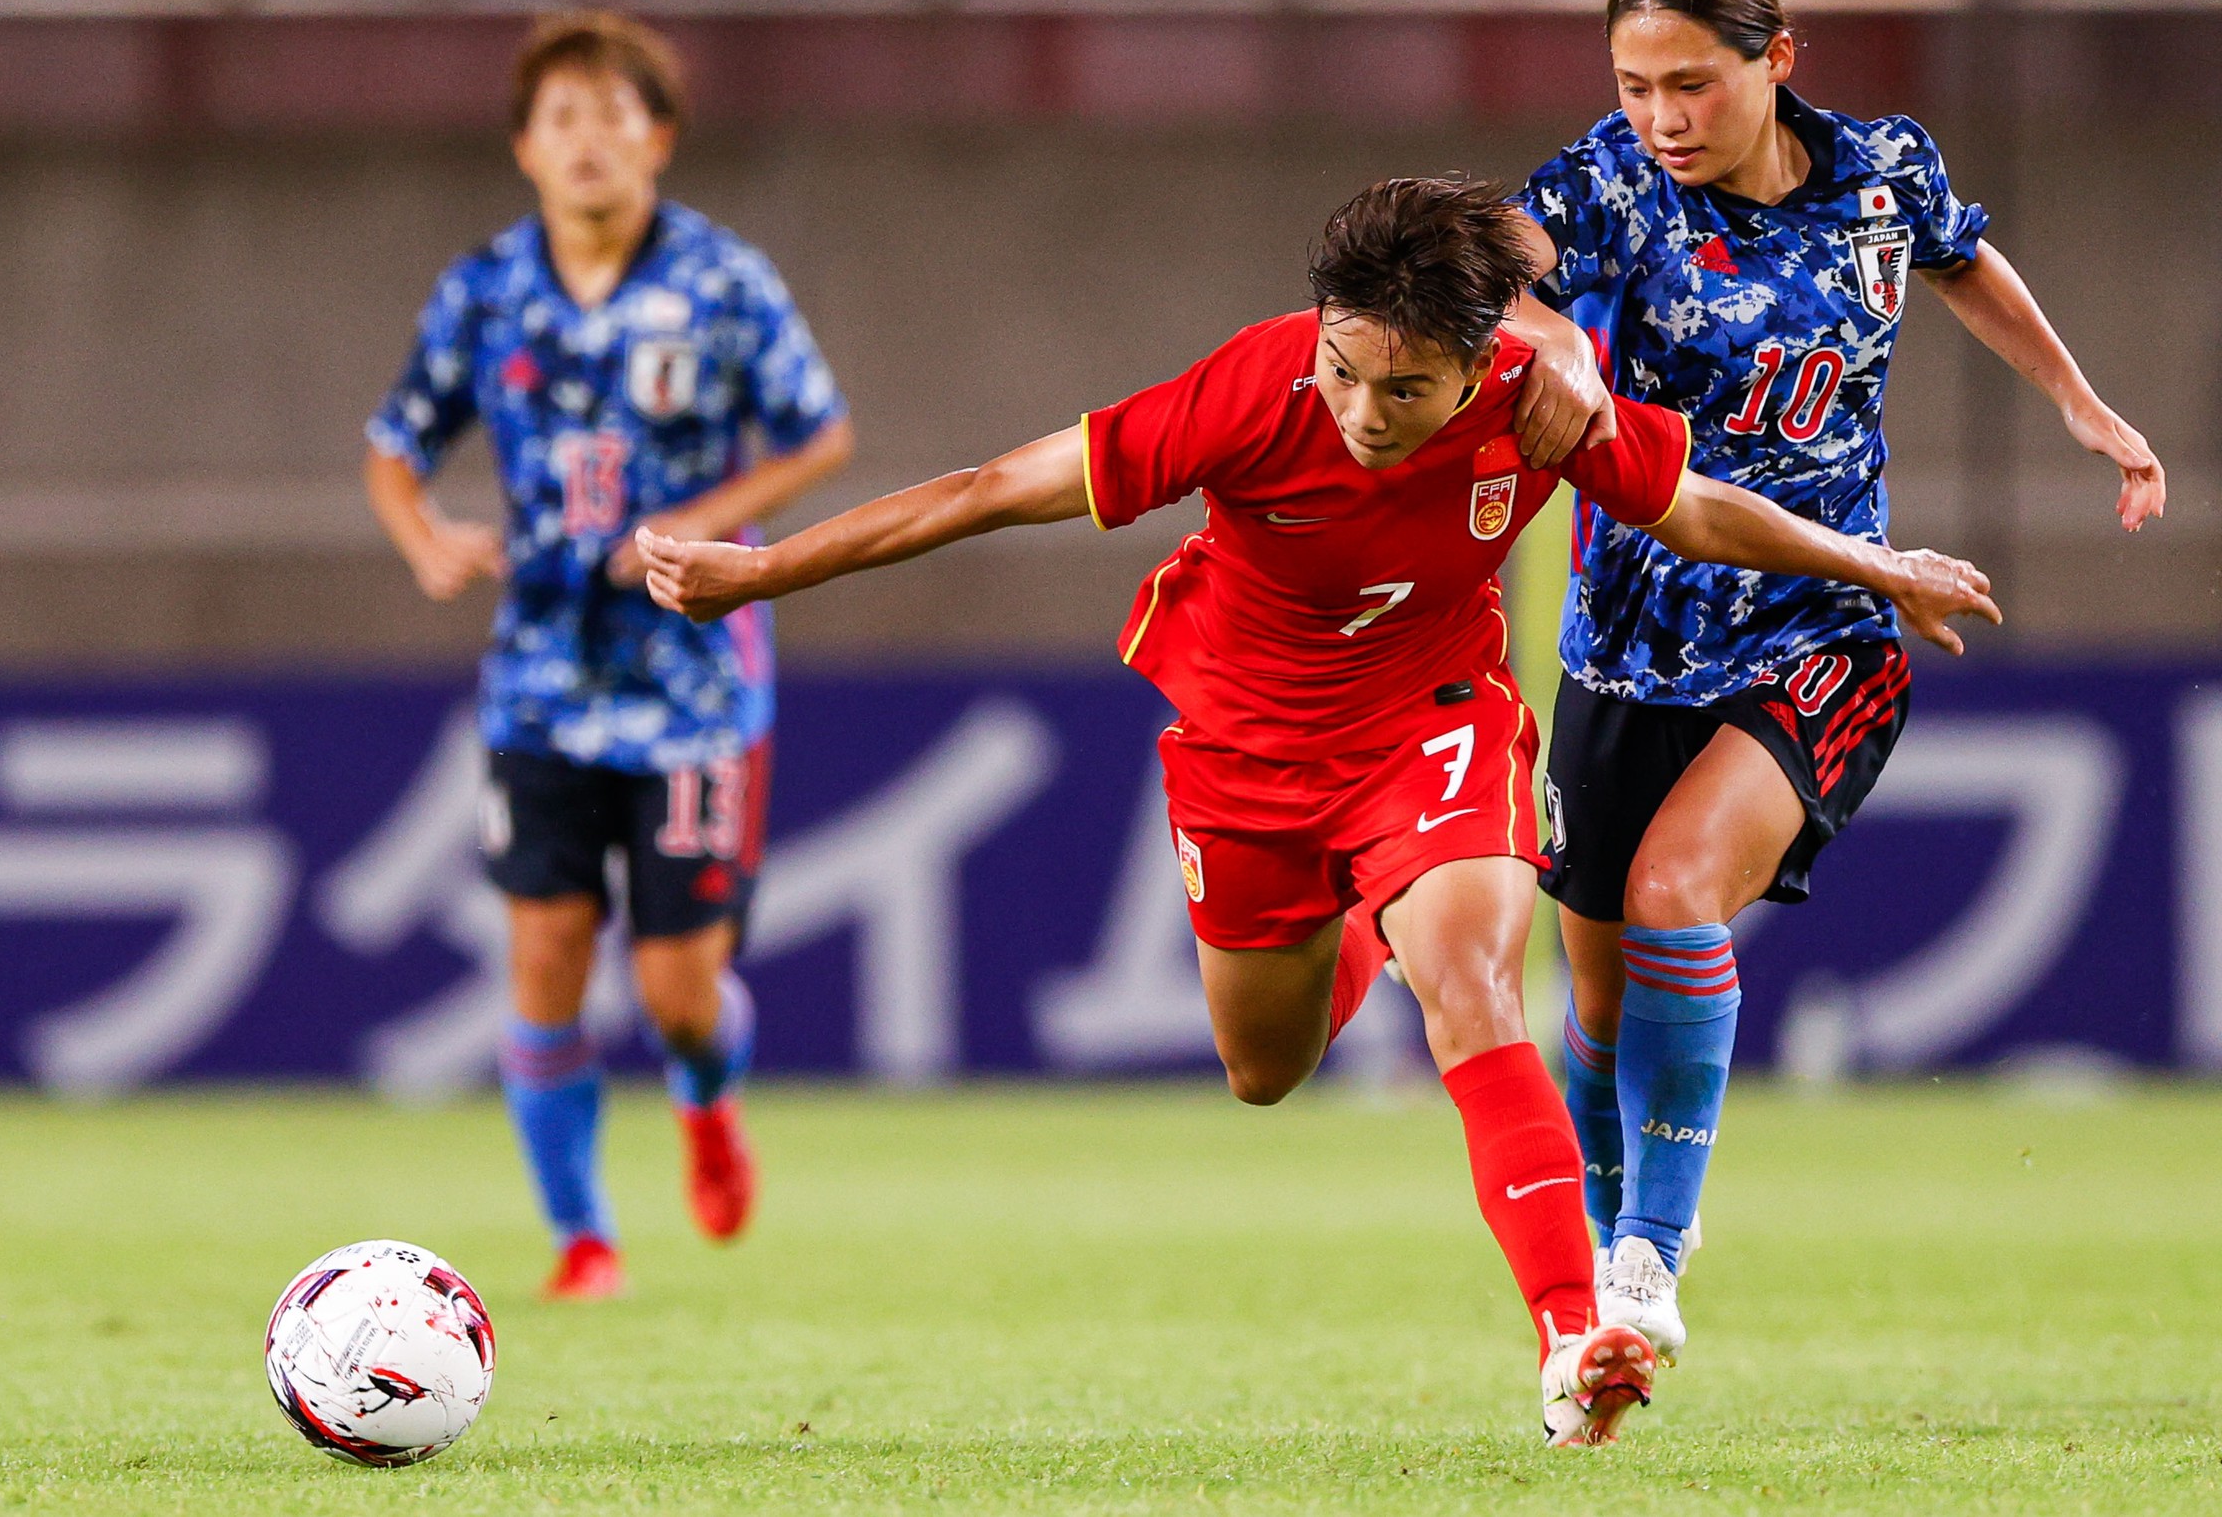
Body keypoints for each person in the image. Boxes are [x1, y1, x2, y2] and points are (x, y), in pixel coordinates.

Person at [637, 176, 1999, 1444]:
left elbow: (1694, 507)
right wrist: (761, 575)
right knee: (1263, 1065)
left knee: (1472, 979)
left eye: (1405, 388)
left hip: (1433, 722)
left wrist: (1875, 565)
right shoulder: (1250, 388)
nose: (1361, 409)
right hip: (1248, 751)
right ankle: (1369, 913)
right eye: (1345, 370)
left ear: (1478, 361)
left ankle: (1573, 1333)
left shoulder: (1538, 400)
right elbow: (995, 488)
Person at [1515, 0, 2167, 1362]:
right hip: (1628, 645)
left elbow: (1963, 257)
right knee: (1602, 1001)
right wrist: (1547, 337)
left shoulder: (1885, 173)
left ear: (1778, 61)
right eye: (1634, 84)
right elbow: (1509, 260)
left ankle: (1644, 1264)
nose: (1662, 117)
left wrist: (2074, 399)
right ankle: (1598, 1321)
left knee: (1681, 889)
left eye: (1693, 81)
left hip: (1829, 617)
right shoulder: (1614, 186)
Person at [363, 12, 856, 1299]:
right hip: (537, 676)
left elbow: (820, 430)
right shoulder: (484, 291)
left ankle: (706, 1097)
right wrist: (421, 537)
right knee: (543, 959)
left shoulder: (725, 282)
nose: (588, 141)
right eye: (562, 118)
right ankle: (583, 1237)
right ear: (525, 147)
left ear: (660, 137)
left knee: (678, 990)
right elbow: (394, 441)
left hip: (693, 684)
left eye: (613, 114)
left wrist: (705, 522)